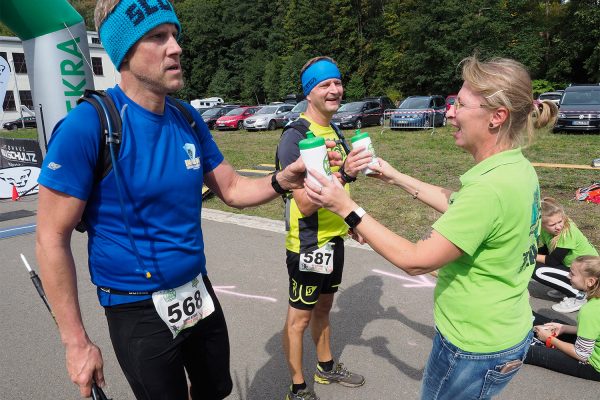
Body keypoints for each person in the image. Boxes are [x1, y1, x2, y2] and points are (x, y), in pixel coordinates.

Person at [34, 1, 334, 399]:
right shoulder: (89, 125)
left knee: (214, 390)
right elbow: (50, 239)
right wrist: (76, 343)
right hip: (136, 306)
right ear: (124, 51)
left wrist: (283, 179)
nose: (174, 47)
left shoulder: (185, 117)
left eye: (174, 35)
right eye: (158, 38)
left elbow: (232, 189)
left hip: (196, 291)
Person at [304, 56, 558, 399]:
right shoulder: (515, 168)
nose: (449, 112)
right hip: (504, 330)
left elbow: (417, 259)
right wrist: (395, 177)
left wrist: (347, 208)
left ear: (497, 117)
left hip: (474, 346)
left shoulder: (489, 189)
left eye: (461, 105)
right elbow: (464, 206)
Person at [276, 56, 370, 400]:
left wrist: (350, 221)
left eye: (337, 82)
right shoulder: (295, 137)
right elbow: (305, 202)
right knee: (299, 320)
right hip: (307, 244)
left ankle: (326, 368)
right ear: (309, 93)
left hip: (333, 240)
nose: (334, 90)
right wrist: (344, 173)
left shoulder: (335, 130)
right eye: (324, 85)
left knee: (325, 308)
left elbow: (337, 191)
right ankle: (297, 388)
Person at [526, 255, 600, 381]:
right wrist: (565, 328)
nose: (567, 276)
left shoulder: (590, 310)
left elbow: (581, 354)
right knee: (556, 324)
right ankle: (527, 317)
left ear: (591, 281)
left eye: (572, 274)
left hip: (593, 366)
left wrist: (549, 339)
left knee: (528, 352)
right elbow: (595, 328)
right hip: (591, 348)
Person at [532, 197, 598, 313]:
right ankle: (566, 287)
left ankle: (581, 295)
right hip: (574, 270)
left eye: (560, 221)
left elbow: (553, 260)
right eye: (552, 224)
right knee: (534, 262)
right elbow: (547, 249)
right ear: (542, 224)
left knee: (537, 270)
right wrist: (532, 252)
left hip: (586, 274)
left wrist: (530, 255)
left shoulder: (567, 231)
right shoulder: (544, 230)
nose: (558, 226)